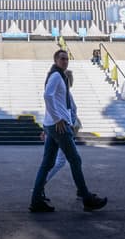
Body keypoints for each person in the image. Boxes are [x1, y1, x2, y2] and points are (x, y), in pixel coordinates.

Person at [29, 49, 107, 213]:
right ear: (56, 60)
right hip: (60, 125)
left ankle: (36, 199)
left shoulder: (58, 75)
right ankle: (86, 198)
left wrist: (50, 122)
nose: (65, 61)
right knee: (75, 160)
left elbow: (54, 99)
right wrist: (58, 119)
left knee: (48, 163)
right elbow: (47, 96)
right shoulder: (56, 75)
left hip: (53, 125)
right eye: (62, 59)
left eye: (67, 59)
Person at [44, 69, 81, 190]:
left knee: (54, 161)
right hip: (62, 130)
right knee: (62, 161)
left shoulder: (66, 94)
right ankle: (40, 185)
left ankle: (82, 192)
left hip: (60, 129)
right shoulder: (64, 94)